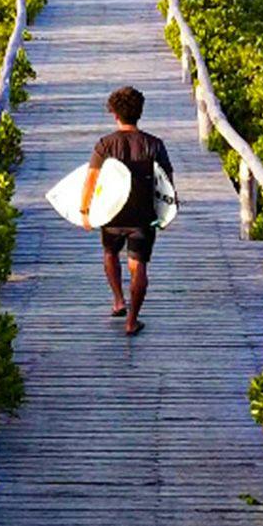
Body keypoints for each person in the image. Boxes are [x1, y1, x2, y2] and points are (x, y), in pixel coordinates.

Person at [80, 86, 173, 337]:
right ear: (140, 113)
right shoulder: (155, 144)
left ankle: (118, 299)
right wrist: (168, 213)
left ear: (114, 115)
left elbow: (91, 179)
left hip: (112, 214)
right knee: (138, 265)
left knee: (110, 252)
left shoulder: (105, 144)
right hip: (142, 215)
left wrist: (85, 210)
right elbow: (166, 182)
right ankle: (132, 320)